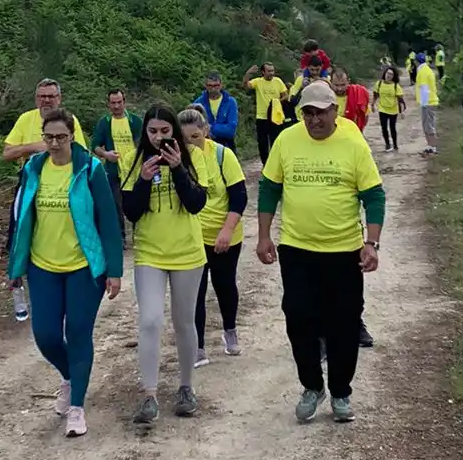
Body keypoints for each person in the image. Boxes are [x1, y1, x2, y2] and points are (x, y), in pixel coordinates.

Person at [256, 81, 385, 424]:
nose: (314, 120)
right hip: (297, 249)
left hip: (344, 251)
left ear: (335, 111)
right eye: (307, 113)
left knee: (344, 321)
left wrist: (371, 243)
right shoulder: (286, 139)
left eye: (320, 113)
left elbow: (374, 196)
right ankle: (312, 386)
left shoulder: (353, 142)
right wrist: (264, 235)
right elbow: (269, 188)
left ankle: (341, 391)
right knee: (299, 318)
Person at [6, 108, 124, 438]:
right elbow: (19, 220)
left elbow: (109, 222)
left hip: (84, 268)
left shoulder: (90, 170)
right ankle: (70, 376)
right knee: (45, 335)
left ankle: (77, 407)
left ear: (72, 136)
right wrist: (15, 265)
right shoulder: (33, 169)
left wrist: (114, 269)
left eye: (60, 137)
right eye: (49, 137)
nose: (54, 143)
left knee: (77, 330)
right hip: (42, 266)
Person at [121, 102, 208, 425]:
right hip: (149, 253)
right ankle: (149, 394)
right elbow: (130, 212)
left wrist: (178, 170)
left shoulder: (194, 157)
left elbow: (197, 204)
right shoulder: (132, 161)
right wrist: (143, 180)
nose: (159, 138)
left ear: (175, 132)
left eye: (165, 131)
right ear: (144, 132)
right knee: (150, 320)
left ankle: (186, 387)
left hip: (187, 252)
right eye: (153, 132)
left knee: (185, 322)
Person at [1, 79, 88, 318]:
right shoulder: (25, 119)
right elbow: (7, 153)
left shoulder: (70, 121)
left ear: (59, 98)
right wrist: (35, 146)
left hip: (63, 183)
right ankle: (18, 291)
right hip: (30, 183)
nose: (46, 101)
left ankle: (65, 287)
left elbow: (82, 152)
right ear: (35, 98)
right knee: (17, 234)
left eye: (51, 96)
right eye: (42, 96)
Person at [178, 104, 247, 362]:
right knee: (194, 292)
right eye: (185, 139)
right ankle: (197, 347)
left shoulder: (222, 155)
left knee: (225, 285)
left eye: (195, 137)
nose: (191, 144)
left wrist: (226, 231)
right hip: (192, 236)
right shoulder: (177, 160)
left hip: (224, 233)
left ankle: (230, 330)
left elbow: (239, 197)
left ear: (206, 131)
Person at [89, 88, 140, 241]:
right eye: (113, 103)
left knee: (138, 203)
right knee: (116, 206)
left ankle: (140, 235)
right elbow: (95, 145)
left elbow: (143, 143)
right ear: (108, 104)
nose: (116, 106)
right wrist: (106, 154)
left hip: (134, 171)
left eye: (119, 102)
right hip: (113, 171)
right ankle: (120, 238)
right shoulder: (104, 123)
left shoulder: (135, 121)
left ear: (125, 102)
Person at [243, 62, 289, 163]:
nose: (271, 73)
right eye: (269, 71)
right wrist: (248, 73)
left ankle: (276, 163)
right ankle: (265, 164)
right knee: (262, 144)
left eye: (272, 70)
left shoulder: (278, 81)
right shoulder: (258, 82)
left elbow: (286, 95)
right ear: (263, 72)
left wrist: (277, 102)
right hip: (261, 117)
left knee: (276, 141)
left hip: (275, 117)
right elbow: (246, 86)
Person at [193, 72, 240, 153]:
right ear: (205, 86)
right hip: (205, 146)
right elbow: (194, 127)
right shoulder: (198, 103)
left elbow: (231, 130)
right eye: (210, 86)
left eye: (216, 85)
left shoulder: (230, 102)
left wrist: (209, 127)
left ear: (221, 85)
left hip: (227, 145)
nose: (213, 88)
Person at [413, 51, 440, 156]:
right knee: (427, 125)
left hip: (428, 102)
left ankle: (433, 148)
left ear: (416, 61)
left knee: (429, 125)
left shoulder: (423, 71)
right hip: (429, 101)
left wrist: (423, 103)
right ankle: (430, 146)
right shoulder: (426, 70)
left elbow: (424, 88)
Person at [330, 66, 371, 133]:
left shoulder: (358, 94)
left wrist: (359, 130)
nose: (339, 88)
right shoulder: (326, 96)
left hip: (352, 133)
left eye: (343, 85)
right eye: (336, 85)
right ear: (331, 82)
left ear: (348, 82)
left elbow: (365, 115)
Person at [375, 65, 405, 152]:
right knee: (384, 127)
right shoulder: (379, 84)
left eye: (391, 74)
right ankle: (387, 144)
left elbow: (400, 100)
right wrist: (373, 104)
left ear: (393, 76)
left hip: (393, 110)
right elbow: (376, 94)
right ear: (385, 73)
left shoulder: (396, 86)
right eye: (388, 73)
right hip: (382, 109)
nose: (388, 75)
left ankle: (395, 144)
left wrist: (402, 111)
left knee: (392, 128)